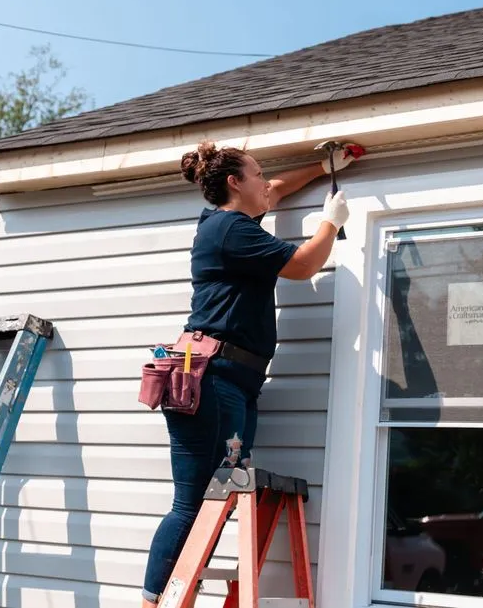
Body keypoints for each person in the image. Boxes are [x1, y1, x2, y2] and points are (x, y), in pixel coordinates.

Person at [141, 140, 361, 606]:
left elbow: (276, 191)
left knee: (217, 498)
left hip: (236, 381)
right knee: (192, 502)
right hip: (211, 379)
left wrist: (323, 167)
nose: (265, 181)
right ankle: (152, 602)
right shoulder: (229, 229)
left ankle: (177, 591)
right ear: (234, 183)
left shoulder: (234, 223)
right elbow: (302, 265)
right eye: (256, 174)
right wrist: (330, 223)